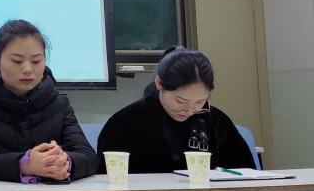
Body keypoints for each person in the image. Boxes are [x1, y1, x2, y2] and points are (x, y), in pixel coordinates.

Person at [0, 20, 96, 183]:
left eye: (36, 61)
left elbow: (89, 157)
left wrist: (64, 162)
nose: (28, 69)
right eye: (17, 61)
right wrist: (24, 164)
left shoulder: (58, 103)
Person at [96, 46, 256, 173]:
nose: (189, 110)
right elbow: (108, 179)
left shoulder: (217, 121)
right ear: (159, 83)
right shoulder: (125, 123)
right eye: (180, 101)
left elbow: (245, 173)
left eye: (200, 101)